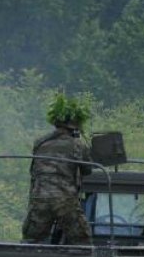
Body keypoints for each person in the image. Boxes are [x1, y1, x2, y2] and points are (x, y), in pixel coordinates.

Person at [22, 92, 92, 244]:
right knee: (83, 242)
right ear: (74, 125)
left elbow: (33, 171)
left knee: (31, 242)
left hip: (40, 198)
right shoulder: (77, 145)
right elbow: (88, 170)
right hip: (65, 200)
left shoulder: (40, 142)